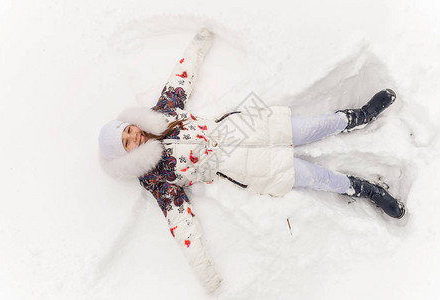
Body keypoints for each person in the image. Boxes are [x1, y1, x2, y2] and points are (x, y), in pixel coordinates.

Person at [98, 28, 405, 293]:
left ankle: (359, 117)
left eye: (128, 132)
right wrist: (205, 274)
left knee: (315, 126)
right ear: (126, 156)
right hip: (244, 168)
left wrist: (201, 39)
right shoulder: (156, 178)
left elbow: (183, 76)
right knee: (316, 178)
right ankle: (363, 189)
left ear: (131, 124)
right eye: (126, 144)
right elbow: (181, 223)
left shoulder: (162, 113)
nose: (133, 138)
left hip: (248, 128)